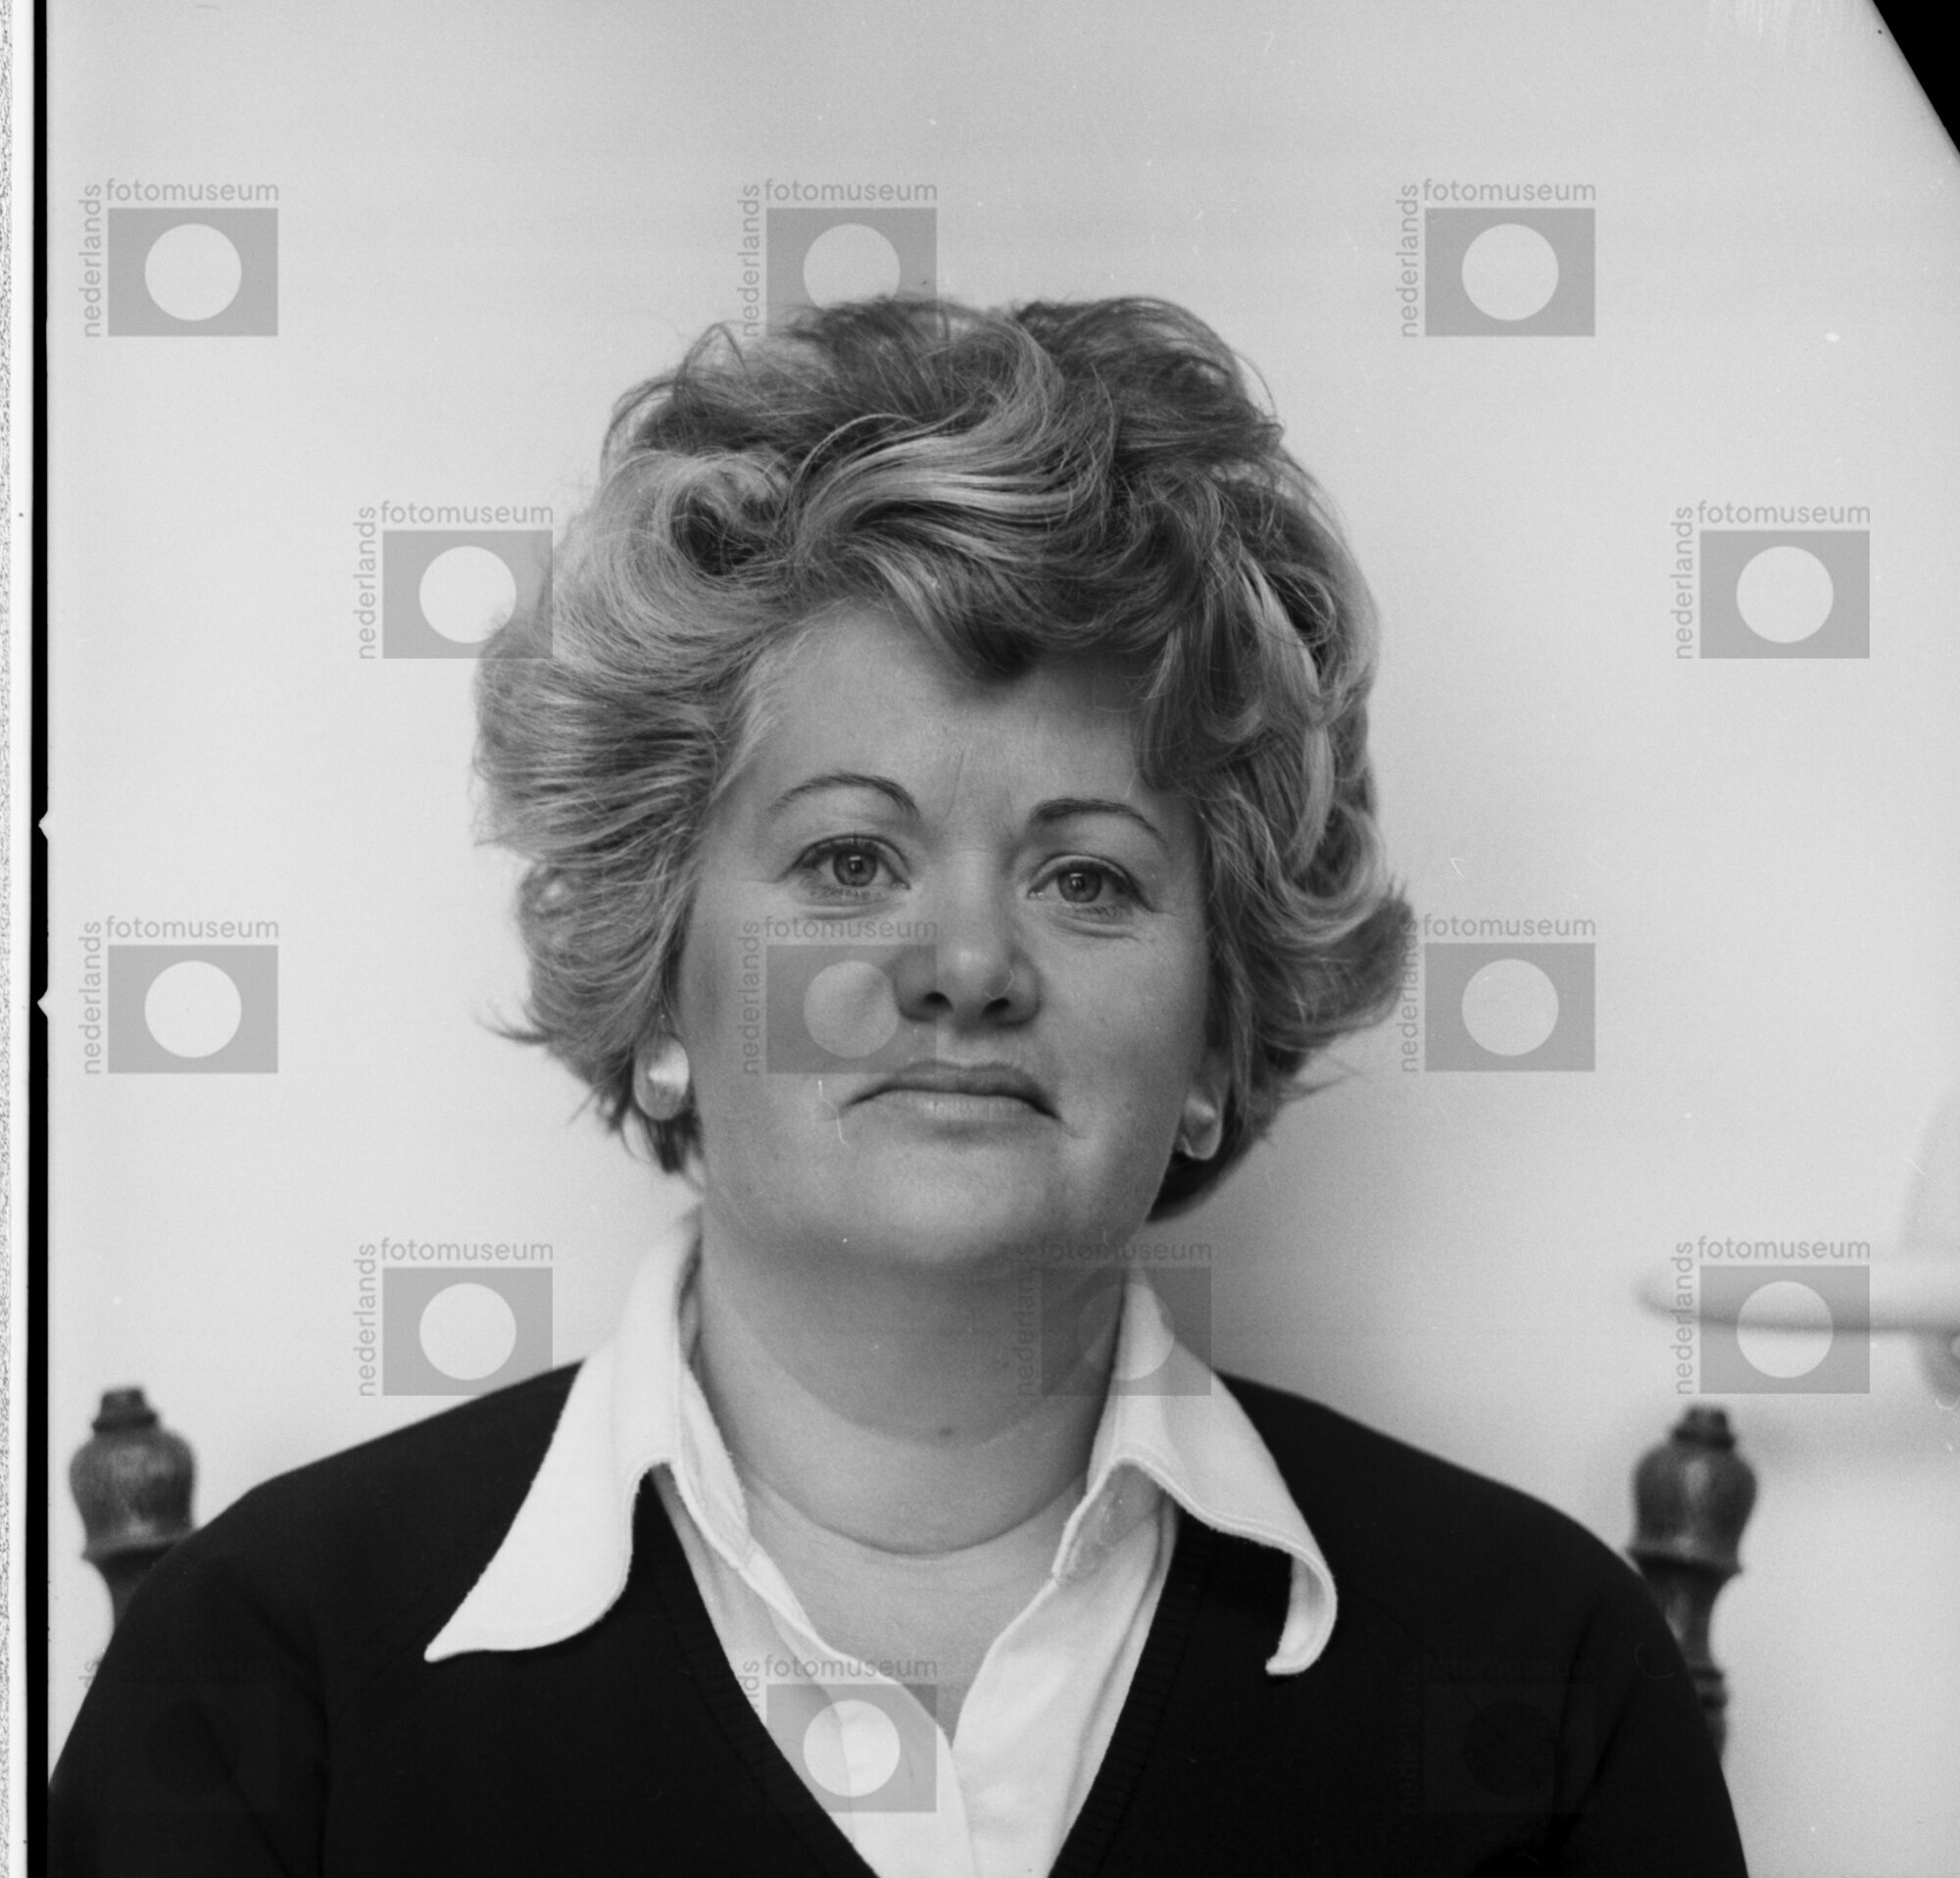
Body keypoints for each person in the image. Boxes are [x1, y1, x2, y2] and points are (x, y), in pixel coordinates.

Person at [51, 295, 1748, 1874]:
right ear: (659, 978)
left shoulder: (1542, 1681)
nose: (968, 964)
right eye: (850, 859)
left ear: (1220, 1037)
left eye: (1089, 877)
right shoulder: (267, 1679)